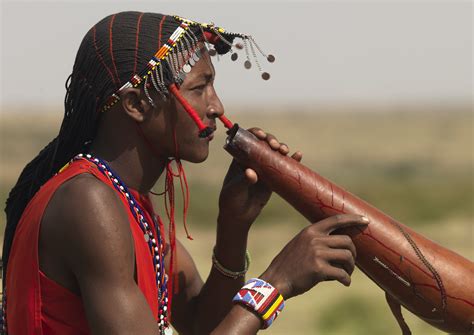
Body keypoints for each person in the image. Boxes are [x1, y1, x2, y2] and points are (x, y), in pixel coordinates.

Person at [2, 12, 368, 334]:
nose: (216, 106)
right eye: (198, 88)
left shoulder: (132, 207)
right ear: (137, 105)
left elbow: (200, 325)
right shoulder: (89, 203)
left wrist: (233, 226)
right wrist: (275, 283)